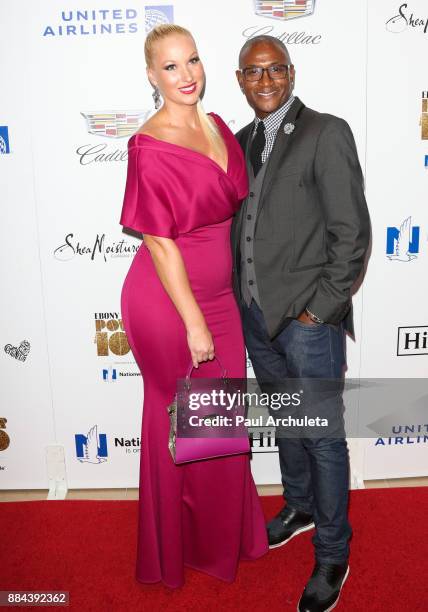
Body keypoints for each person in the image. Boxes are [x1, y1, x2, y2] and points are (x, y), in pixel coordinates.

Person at [119, 24, 268, 589]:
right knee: (176, 418)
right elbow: (158, 241)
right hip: (168, 303)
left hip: (220, 298)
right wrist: (193, 322)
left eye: (194, 61)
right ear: (152, 76)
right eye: (172, 67)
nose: (187, 76)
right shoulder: (148, 144)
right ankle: (171, 551)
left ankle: (220, 539)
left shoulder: (216, 126)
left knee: (219, 419)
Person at [232, 36, 370, 611]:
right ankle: (300, 506)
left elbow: (352, 234)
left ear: (291, 72)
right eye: (253, 72)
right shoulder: (238, 143)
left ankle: (334, 551)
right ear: (238, 79)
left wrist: (321, 310)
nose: (265, 80)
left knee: (321, 436)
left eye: (275, 69)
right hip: (255, 317)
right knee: (287, 423)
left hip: (308, 322)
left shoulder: (326, 131)